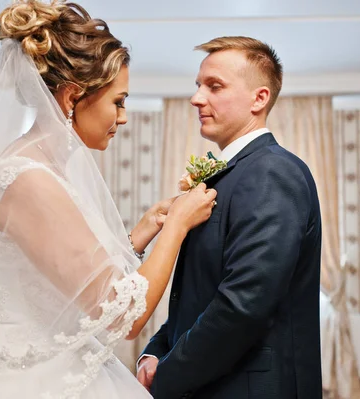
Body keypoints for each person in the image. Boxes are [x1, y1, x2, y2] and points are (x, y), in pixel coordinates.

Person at [0, 1, 216, 398]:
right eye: (117, 101)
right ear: (70, 98)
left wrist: (141, 233)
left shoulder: (37, 168)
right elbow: (120, 318)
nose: (124, 117)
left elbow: (65, 277)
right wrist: (179, 228)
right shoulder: (27, 179)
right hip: (15, 380)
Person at [138, 36, 323, 399]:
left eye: (214, 86)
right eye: (198, 86)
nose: (196, 98)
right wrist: (155, 350)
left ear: (259, 98)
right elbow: (198, 294)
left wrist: (166, 376)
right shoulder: (234, 172)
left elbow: (243, 306)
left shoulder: (272, 172)